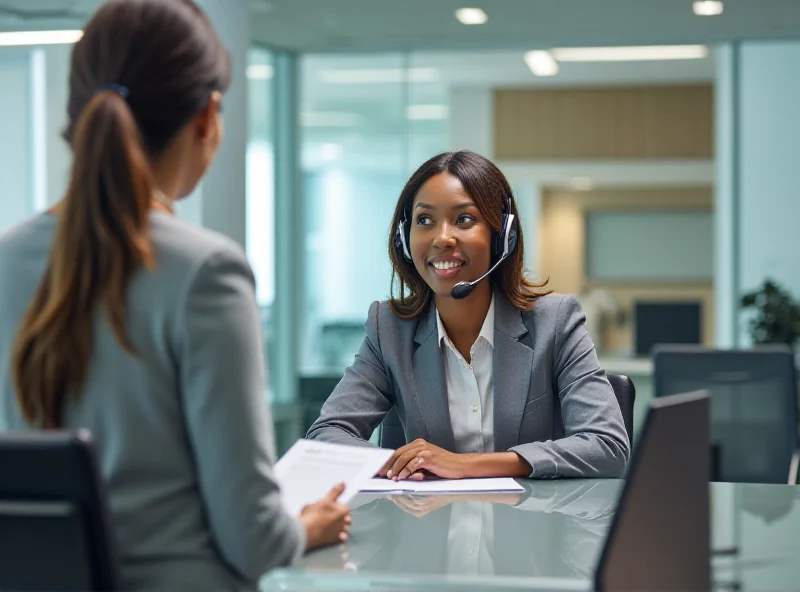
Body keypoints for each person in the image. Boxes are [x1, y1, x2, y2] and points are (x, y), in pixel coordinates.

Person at [0, 0, 348, 589]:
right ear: (207, 117)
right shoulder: (207, 271)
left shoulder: (7, 260)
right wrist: (305, 527)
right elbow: (254, 538)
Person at [307, 150, 629, 480]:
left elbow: (607, 445)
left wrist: (466, 465)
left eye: (464, 219)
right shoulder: (389, 328)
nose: (442, 238)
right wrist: (405, 464)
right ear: (405, 239)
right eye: (424, 220)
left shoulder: (554, 322)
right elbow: (327, 435)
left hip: (533, 524)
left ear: (502, 236)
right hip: (422, 526)